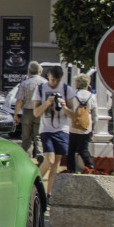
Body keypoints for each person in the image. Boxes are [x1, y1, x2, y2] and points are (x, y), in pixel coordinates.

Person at [33, 66, 76, 194]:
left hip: (62, 129)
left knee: (56, 163)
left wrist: (64, 106)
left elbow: (73, 115)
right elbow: (36, 113)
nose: (54, 83)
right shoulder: (40, 89)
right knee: (49, 160)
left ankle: (49, 193)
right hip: (46, 129)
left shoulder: (66, 89)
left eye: (57, 81)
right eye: (52, 80)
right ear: (48, 77)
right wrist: (47, 103)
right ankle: (34, 182)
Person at [13, 62, 46, 160]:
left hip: (27, 112)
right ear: (40, 71)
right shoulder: (44, 83)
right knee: (38, 135)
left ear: (29, 71)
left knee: (26, 137)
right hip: (40, 111)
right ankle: (40, 153)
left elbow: (19, 100)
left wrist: (15, 114)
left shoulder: (25, 83)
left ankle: (26, 157)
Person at [67, 74, 98, 173]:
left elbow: (68, 110)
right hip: (86, 127)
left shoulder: (72, 95)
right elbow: (95, 116)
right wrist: (93, 128)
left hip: (73, 126)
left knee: (71, 150)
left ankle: (71, 169)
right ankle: (90, 167)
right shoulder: (92, 96)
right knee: (83, 148)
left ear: (77, 83)